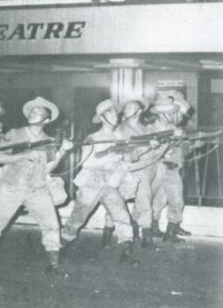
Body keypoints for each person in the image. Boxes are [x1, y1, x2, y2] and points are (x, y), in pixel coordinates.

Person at [0, 96, 73, 275]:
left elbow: (48, 168)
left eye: (38, 112)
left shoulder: (49, 141)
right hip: (11, 187)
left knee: (52, 225)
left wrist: (62, 153)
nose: (33, 113)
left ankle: (54, 265)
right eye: (32, 111)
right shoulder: (14, 133)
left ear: (47, 119)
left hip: (37, 189)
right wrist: (21, 155)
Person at [60, 100, 139, 265]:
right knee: (78, 217)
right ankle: (60, 248)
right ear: (102, 118)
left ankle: (126, 253)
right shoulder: (93, 138)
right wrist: (110, 156)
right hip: (92, 181)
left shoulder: (121, 136)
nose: (115, 116)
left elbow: (131, 159)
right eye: (110, 113)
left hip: (110, 182)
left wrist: (129, 152)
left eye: (116, 113)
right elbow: (86, 163)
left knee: (123, 216)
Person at [116, 97, 161, 248]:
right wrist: (149, 146)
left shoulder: (146, 129)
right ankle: (146, 239)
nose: (126, 108)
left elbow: (156, 149)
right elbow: (123, 152)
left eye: (131, 106)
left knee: (142, 202)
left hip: (148, 168)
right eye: (126, 107)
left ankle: (135, 233)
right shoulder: (120, 129)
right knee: (142, 202)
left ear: (139, 111)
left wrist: (157, 148)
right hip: (133, 170)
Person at [149, 93, 193, 243]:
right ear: (162, 114)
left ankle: (165, 231)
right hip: (159, 168)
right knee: (172, 200)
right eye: (172, 113)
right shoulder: (151, 129)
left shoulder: (173, 128)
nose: (176, 116)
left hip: (172, 168)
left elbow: (182, 150)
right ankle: (167, 233)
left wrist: (189, 145)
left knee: (164, 200)